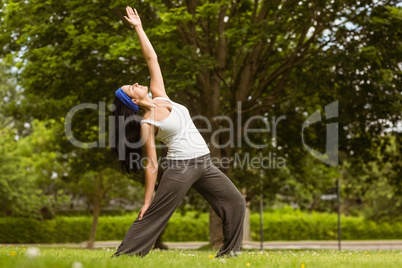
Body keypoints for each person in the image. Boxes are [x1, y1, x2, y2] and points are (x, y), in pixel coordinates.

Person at [110, 6, 246, 259]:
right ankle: (124, 257)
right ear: (134, 102)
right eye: (132, 88)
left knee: (236, 202)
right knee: (156, 214)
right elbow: (151, 163)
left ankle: (229, 256)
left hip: (205, 162)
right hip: (180, 167)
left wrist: (139, 28)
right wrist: (147, 199)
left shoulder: (160, 96)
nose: (136, 83)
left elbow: (152, 59)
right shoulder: (146, 123)